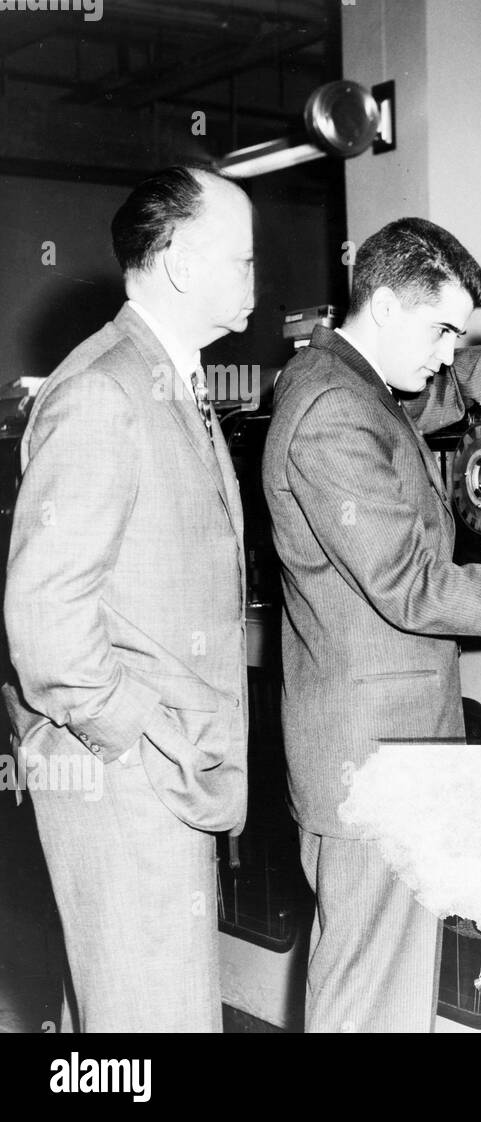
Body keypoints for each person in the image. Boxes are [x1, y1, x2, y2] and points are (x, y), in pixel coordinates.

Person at [262, 217, 481, 1033]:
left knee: (390, 996)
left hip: (390, 757)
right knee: (364, 1003)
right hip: (370, 765)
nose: (449, 350)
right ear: (386, 306)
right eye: (442, 329)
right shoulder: (332, 412)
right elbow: (412, 587)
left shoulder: (352, 386)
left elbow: (454, 388)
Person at [2, 165, 255, 1032]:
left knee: (121, 1020)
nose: (257, 279)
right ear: (181, 264)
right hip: (127, 780)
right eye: (244, 260)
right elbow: (44, 622)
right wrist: (142, 737)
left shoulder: (167, 381)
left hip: (157, 774)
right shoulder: (103, 392)